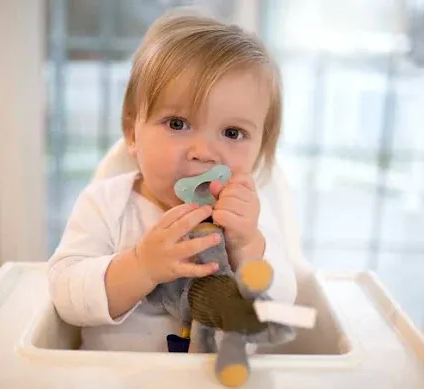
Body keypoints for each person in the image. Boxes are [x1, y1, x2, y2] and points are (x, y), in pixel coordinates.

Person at [47, 9, 297, 352]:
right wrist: (139, 267)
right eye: (178, 124)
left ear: (260, 150)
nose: (204, 153)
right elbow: (64, 295)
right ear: (131, 132)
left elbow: (279, 310)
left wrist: (247, 250)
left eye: (233, 132)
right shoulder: (106, 205)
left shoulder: (252, 219)